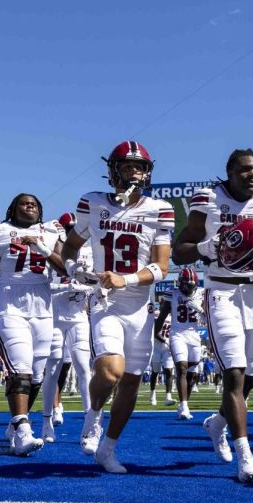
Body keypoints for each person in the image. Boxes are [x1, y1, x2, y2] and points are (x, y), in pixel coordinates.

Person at [172, 148, 253, 483]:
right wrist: (201, 249)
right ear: (229, 172)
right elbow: (179, 252)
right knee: (235, 375)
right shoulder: (207, 200)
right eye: (244, 170)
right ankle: (245, 455)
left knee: (252, 375)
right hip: (221, 291)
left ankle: (217, 423)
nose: (252, 175)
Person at [60, 141, 174, 473]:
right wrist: (72, 268)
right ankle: (93, 414)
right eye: (126, 166)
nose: (134, 172)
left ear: (148, 172)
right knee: (111, 371)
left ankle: (108, 449)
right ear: (113, 171)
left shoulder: (160, 209)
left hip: (139, 306)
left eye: (139, 167)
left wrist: (125, 279)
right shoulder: (92, 203)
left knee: (131, 382)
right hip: (104, 301)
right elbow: (70, 247)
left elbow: (161, 268)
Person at [0, 193, 66, 456]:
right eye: (23, 203)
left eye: (34, 204)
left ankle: (16, 424)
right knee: (20, 369)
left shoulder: (52, 230)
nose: (29, 206)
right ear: (12, 208)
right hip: (9, 301)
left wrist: (42, 248)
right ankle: (23, 431)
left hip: (43, 302)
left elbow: (64, 268)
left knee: (38, 375)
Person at [41, 212, 93, 432]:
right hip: (54, 316)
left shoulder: (90, 252)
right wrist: (66, 287)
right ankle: (46, 421)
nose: (73, 232)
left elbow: (95, 281)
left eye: (75, 228)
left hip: (78, 317)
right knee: (52, 369)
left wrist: (88, 287)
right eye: (68, 228)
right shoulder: (49, 253)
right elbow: (41, 287)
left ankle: (90, 422)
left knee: (84, 369)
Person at [156, 266, 204, 420]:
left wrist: (201, 310)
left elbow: (208, 318)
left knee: (192, 376)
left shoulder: (202, 294)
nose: (190, 288)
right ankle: (184, 406)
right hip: (178, 334)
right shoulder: (172, 293)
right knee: (181, 368)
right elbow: (163, 315)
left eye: (192, 285)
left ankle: (184, 404)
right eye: (187, 285)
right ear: (180, 283)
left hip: (195, 336)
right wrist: (156, 331)